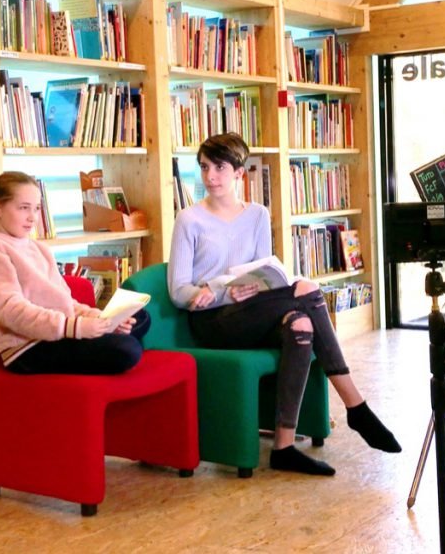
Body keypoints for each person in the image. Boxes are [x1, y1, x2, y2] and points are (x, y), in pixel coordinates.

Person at [167, 132, 400, 476]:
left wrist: (252, 288)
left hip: (255, 311)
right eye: (204, 167)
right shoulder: (189, 219)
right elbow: (177, 291)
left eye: (219, 167)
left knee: (301, 324)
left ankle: (284, 447)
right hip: (213, 321)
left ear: (239, 173)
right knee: (308, 290)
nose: (210, 176)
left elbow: (265, 275)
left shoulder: (258, 215)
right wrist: (221, 292)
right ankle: (355, 405)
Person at [0, 171, 149, 375]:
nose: (32, 217)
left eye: (37, 208)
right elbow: (11, 310)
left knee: (140, 317)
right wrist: (76, 328)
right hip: (28, 347)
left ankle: (112, 335)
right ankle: (116, 343)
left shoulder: (39, 248)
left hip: (61, 334)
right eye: (23, 208)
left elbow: (66, 303)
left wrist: (102, 320)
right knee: (128, 349)